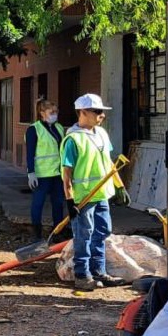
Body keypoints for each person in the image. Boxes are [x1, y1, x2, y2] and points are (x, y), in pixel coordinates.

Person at [60, 93, 131, 291]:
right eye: (97, 112)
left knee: (102, 231)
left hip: (101, 194)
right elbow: (67, 173)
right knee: (84, 234)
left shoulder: (101, 134)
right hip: (84, 197)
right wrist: (69, 199)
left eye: (102, 112)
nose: (102, 116)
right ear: (82, 112)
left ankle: (99, 271)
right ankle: (83, 275)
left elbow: (107, 162)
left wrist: (119, 186)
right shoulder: (72, 140)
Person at [26, 99, 66, 242]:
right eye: (51, 112)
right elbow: (30, 152)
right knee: (38, 203)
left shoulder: (59, 128)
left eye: (56, 112)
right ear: (42, 113)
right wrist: (31, 172)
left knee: (58, 203)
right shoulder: (34, 129)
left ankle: (57, 232)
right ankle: (36, 234)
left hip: (57, 173)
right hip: (41, 174)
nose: (55, 115)